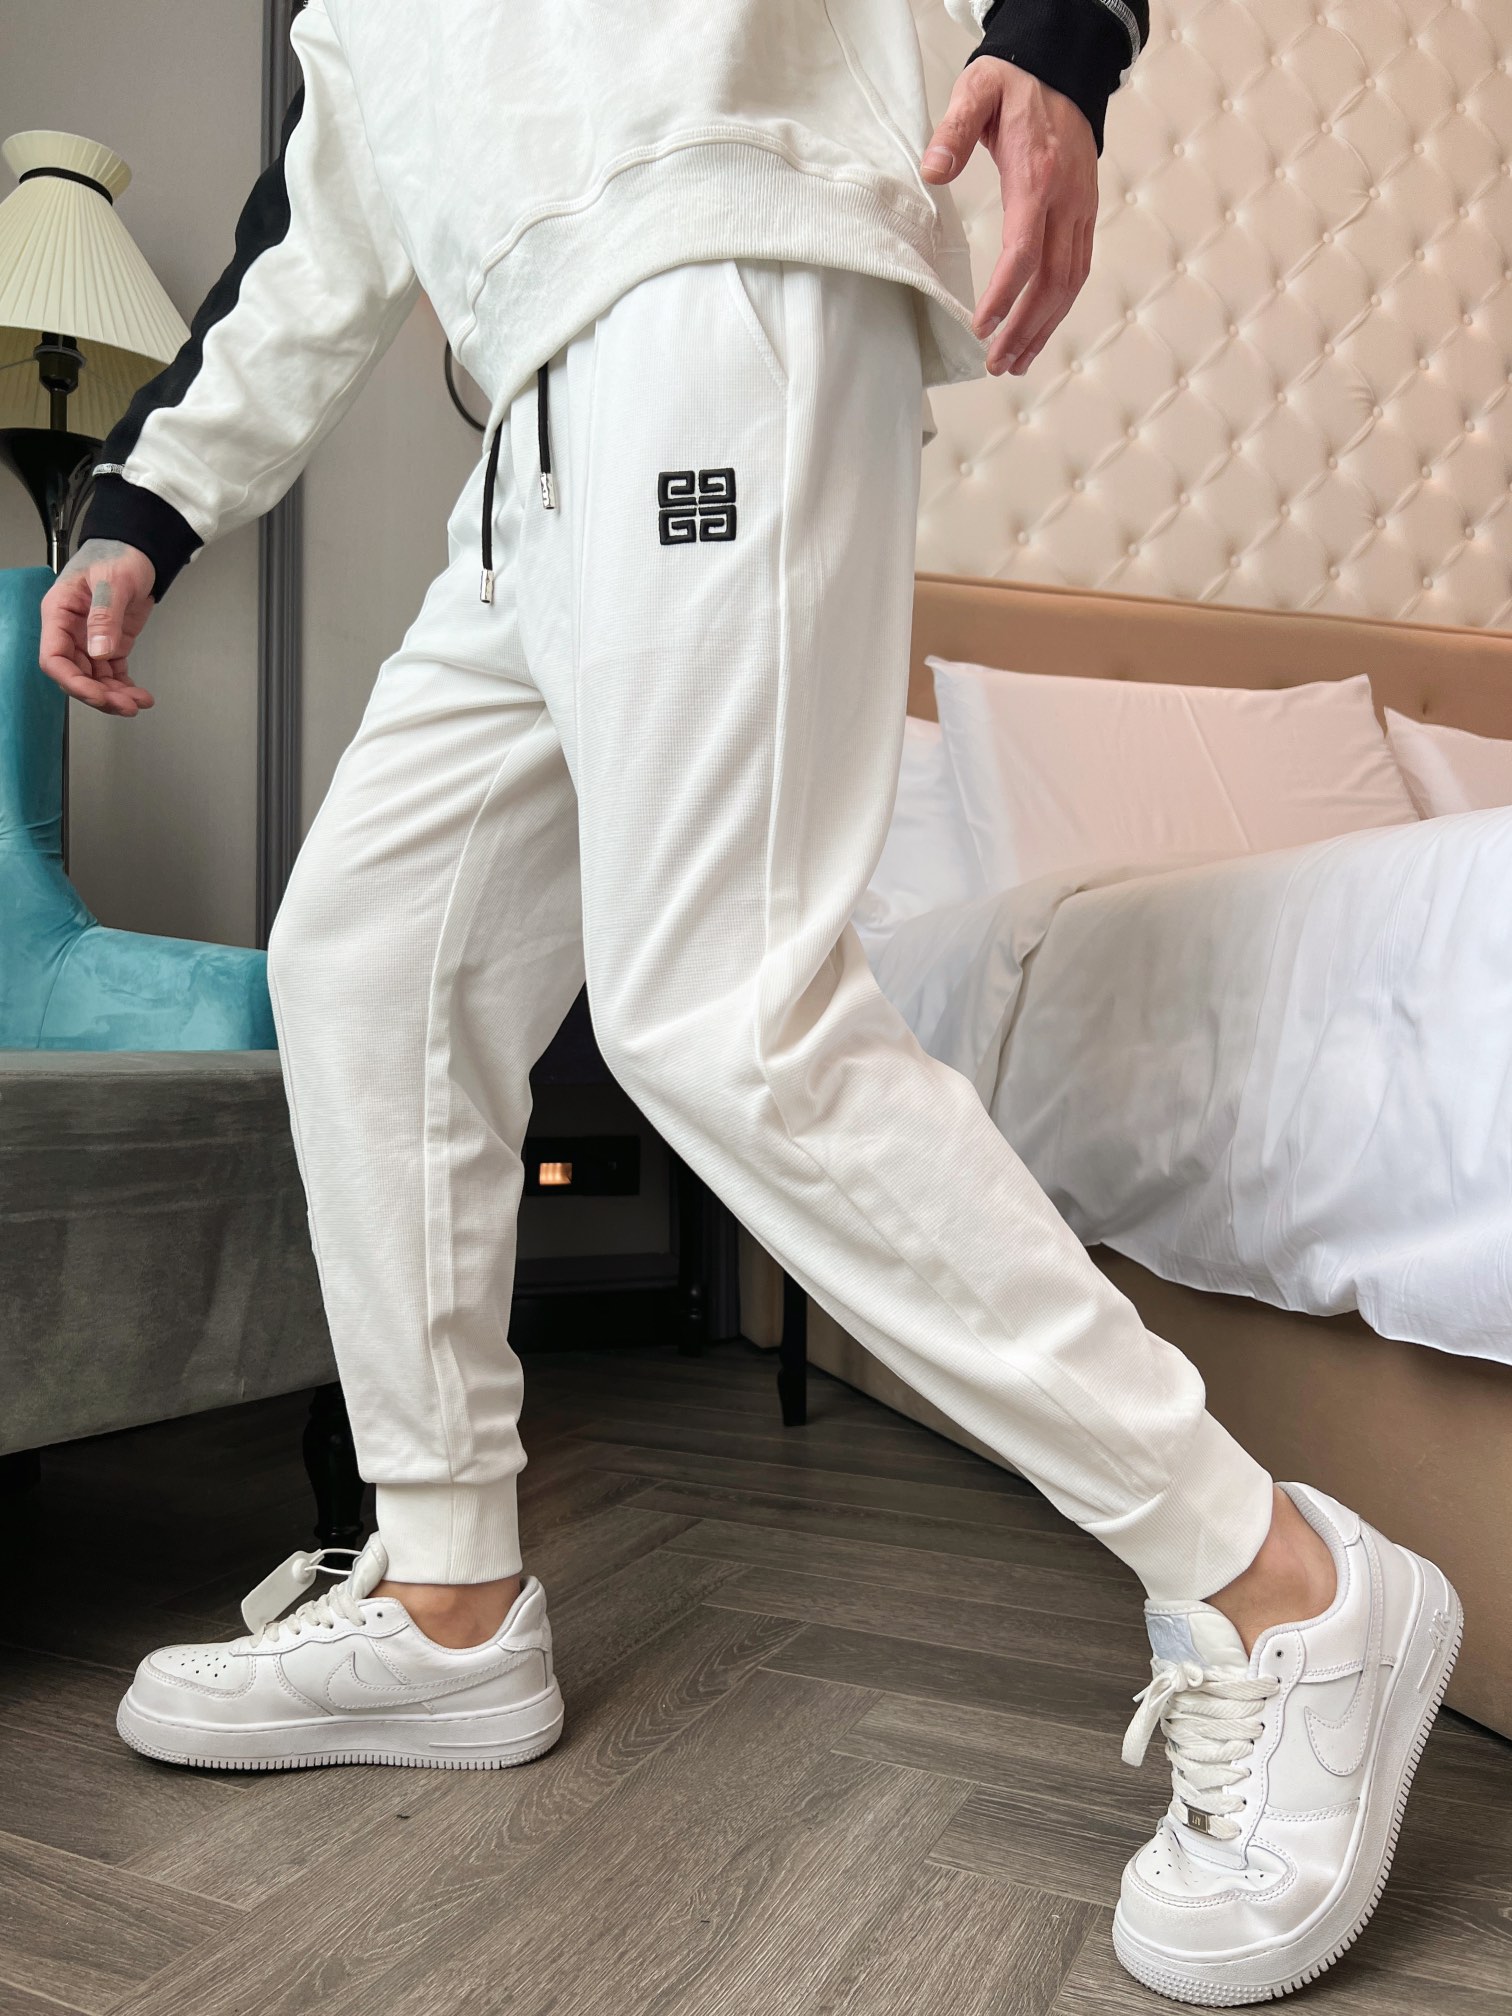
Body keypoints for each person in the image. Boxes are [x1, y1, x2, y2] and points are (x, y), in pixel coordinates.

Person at [38, 1, 1460, 2003]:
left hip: (725, 280)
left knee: (721, 1010)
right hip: (527, 432)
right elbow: (317, 225)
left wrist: (1062, 33)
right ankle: (447, 1600)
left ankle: (1281, 1585)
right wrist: (145, 503)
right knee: (358, 959)